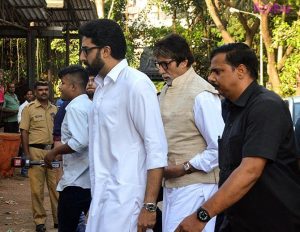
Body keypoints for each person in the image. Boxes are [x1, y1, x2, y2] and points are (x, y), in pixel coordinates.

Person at [175, 43, 300, 232]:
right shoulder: (229, 108)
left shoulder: (266, 106)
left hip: (272, 221)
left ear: (240, 70)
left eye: (218, 71)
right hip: (237, 220)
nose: (211, 78)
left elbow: (250, 170)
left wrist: (202, 215)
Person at [79, 19, 168, 232]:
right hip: (102, 197)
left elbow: (156, 148)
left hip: (127, 201)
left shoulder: (136, 84)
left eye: (86, 50)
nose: (82, 57)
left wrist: (149, 206)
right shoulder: (100, 88)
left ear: (106, 51)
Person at [153, 34, 224, 232]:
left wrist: (185, 167)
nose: (161, 70)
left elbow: (219, 147)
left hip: (197, 186)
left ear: (184, 62)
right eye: (158, 64)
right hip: (172, 186)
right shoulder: (166, 90)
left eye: (165, 64)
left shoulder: (201, 94)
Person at [44, 65, 92, 232]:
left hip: (75, 182)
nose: (60, 87)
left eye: (62, 83)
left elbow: (80, 142)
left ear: (73, 86)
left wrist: (54, 151)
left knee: (66, 227)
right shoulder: (89, 105)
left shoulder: (75, 108)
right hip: (89, 180)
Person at [19, 81, 58, 232]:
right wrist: (27, 155)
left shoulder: (55, 109)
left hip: (52, 152)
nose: (43, 92)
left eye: (46, 89)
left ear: (49, 91)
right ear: (35, 92)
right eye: (40, 90)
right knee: (37, 189)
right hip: (35, 151)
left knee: (56, 188)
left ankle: (58, 219)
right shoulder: (29, 109)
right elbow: (24, 132)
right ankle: (40, 221)